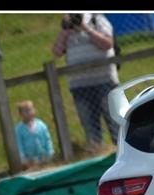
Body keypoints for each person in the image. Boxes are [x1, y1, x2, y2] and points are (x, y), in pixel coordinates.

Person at [52, 13, 120, 151]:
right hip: (79, 86)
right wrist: (65, 31)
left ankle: (124, 153)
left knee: (116, 125)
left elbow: (107, 44)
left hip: (104, 81)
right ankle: (98, 154)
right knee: (90, 129)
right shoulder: (68, 26)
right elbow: (57, 51)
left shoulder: (97, 18)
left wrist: (86, 29)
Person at [14, 101, 55, 168]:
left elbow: (47, 139)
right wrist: (23, 159)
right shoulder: (19, 130)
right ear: (20, 114)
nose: (29, 113)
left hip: (43, 156)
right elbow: (19, 145)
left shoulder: (41, 125)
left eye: (31, 110)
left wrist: (50, 151)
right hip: (30, 160)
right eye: (26, 111)